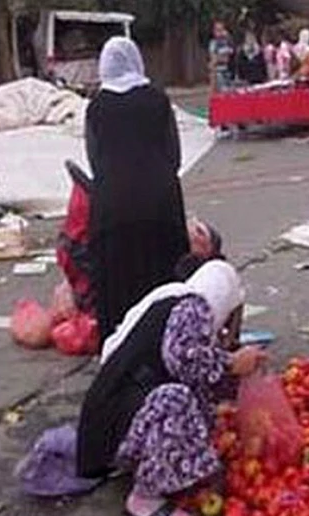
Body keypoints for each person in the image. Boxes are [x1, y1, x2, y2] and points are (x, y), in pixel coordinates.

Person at [76, 260, 266, 516]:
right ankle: (144, 501)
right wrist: (231, 363)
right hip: (117, 421)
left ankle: (155, 467)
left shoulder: (177, 303)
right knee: (175, 400)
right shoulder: (194, 307)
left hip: (119, 417)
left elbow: (188, 370)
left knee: (190, 403)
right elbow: (181, 360)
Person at [85, 37, 189, 345]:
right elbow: (174, 154)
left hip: (112, 208)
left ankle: (119, 352)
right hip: (160, 204)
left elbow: (94, 159)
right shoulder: (157, 100)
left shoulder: (97, 107)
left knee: (117, 282)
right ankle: (169, 346)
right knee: (163, 277)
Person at [208, 21, 235, 93]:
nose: (219, 32)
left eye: (221, 30)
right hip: (218, 72)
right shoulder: (213, 43)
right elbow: (213, 58)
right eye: (217, 30)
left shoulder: (227, 42)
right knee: (221, 92)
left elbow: (229, 56)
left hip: (229, 71)